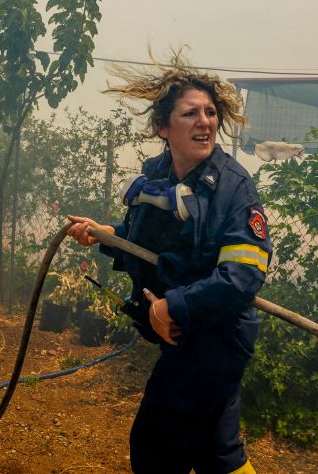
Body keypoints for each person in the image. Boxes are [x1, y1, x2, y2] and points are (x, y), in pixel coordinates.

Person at [67, 52, 270, 474]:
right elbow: (145, 245)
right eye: (191, 113)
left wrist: (172, 306)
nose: (206, 122)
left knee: (155, 449)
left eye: (211, 113)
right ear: (164, 128)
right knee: (219, 451)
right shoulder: (159, 174)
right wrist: (103, 235)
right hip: (188, 336)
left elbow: (242, 275)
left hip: (215, 340)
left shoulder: (233, 188)